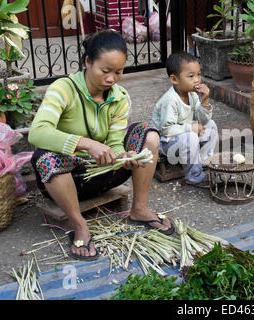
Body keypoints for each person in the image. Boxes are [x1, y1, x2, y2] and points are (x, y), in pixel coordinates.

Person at [28, 30, 174, 261]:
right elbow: (37, 132)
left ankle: (139, 209)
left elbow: (116, 141)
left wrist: (124, 156)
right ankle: (79, 224)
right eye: (105, 71)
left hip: (105, 174)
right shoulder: (63, 89)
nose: (111, 79)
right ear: (88, 62)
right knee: (44, 156)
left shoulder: (118, 97)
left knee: (148, 135)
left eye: (118, 72)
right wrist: (86, 144)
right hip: (68, 178)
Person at [150, 52, 218, 188]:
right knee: (190, 136)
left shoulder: (192, 95)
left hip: (184, 136)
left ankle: (203, 162)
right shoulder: (170, 101)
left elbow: (201, 121)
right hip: (165, 143)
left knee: (211, 125)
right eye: (191, 76)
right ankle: (194, 175)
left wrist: (205, 101)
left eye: (199, 74)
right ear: (174, 79)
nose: (197, 79)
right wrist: (190, 128)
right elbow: (166, 129)